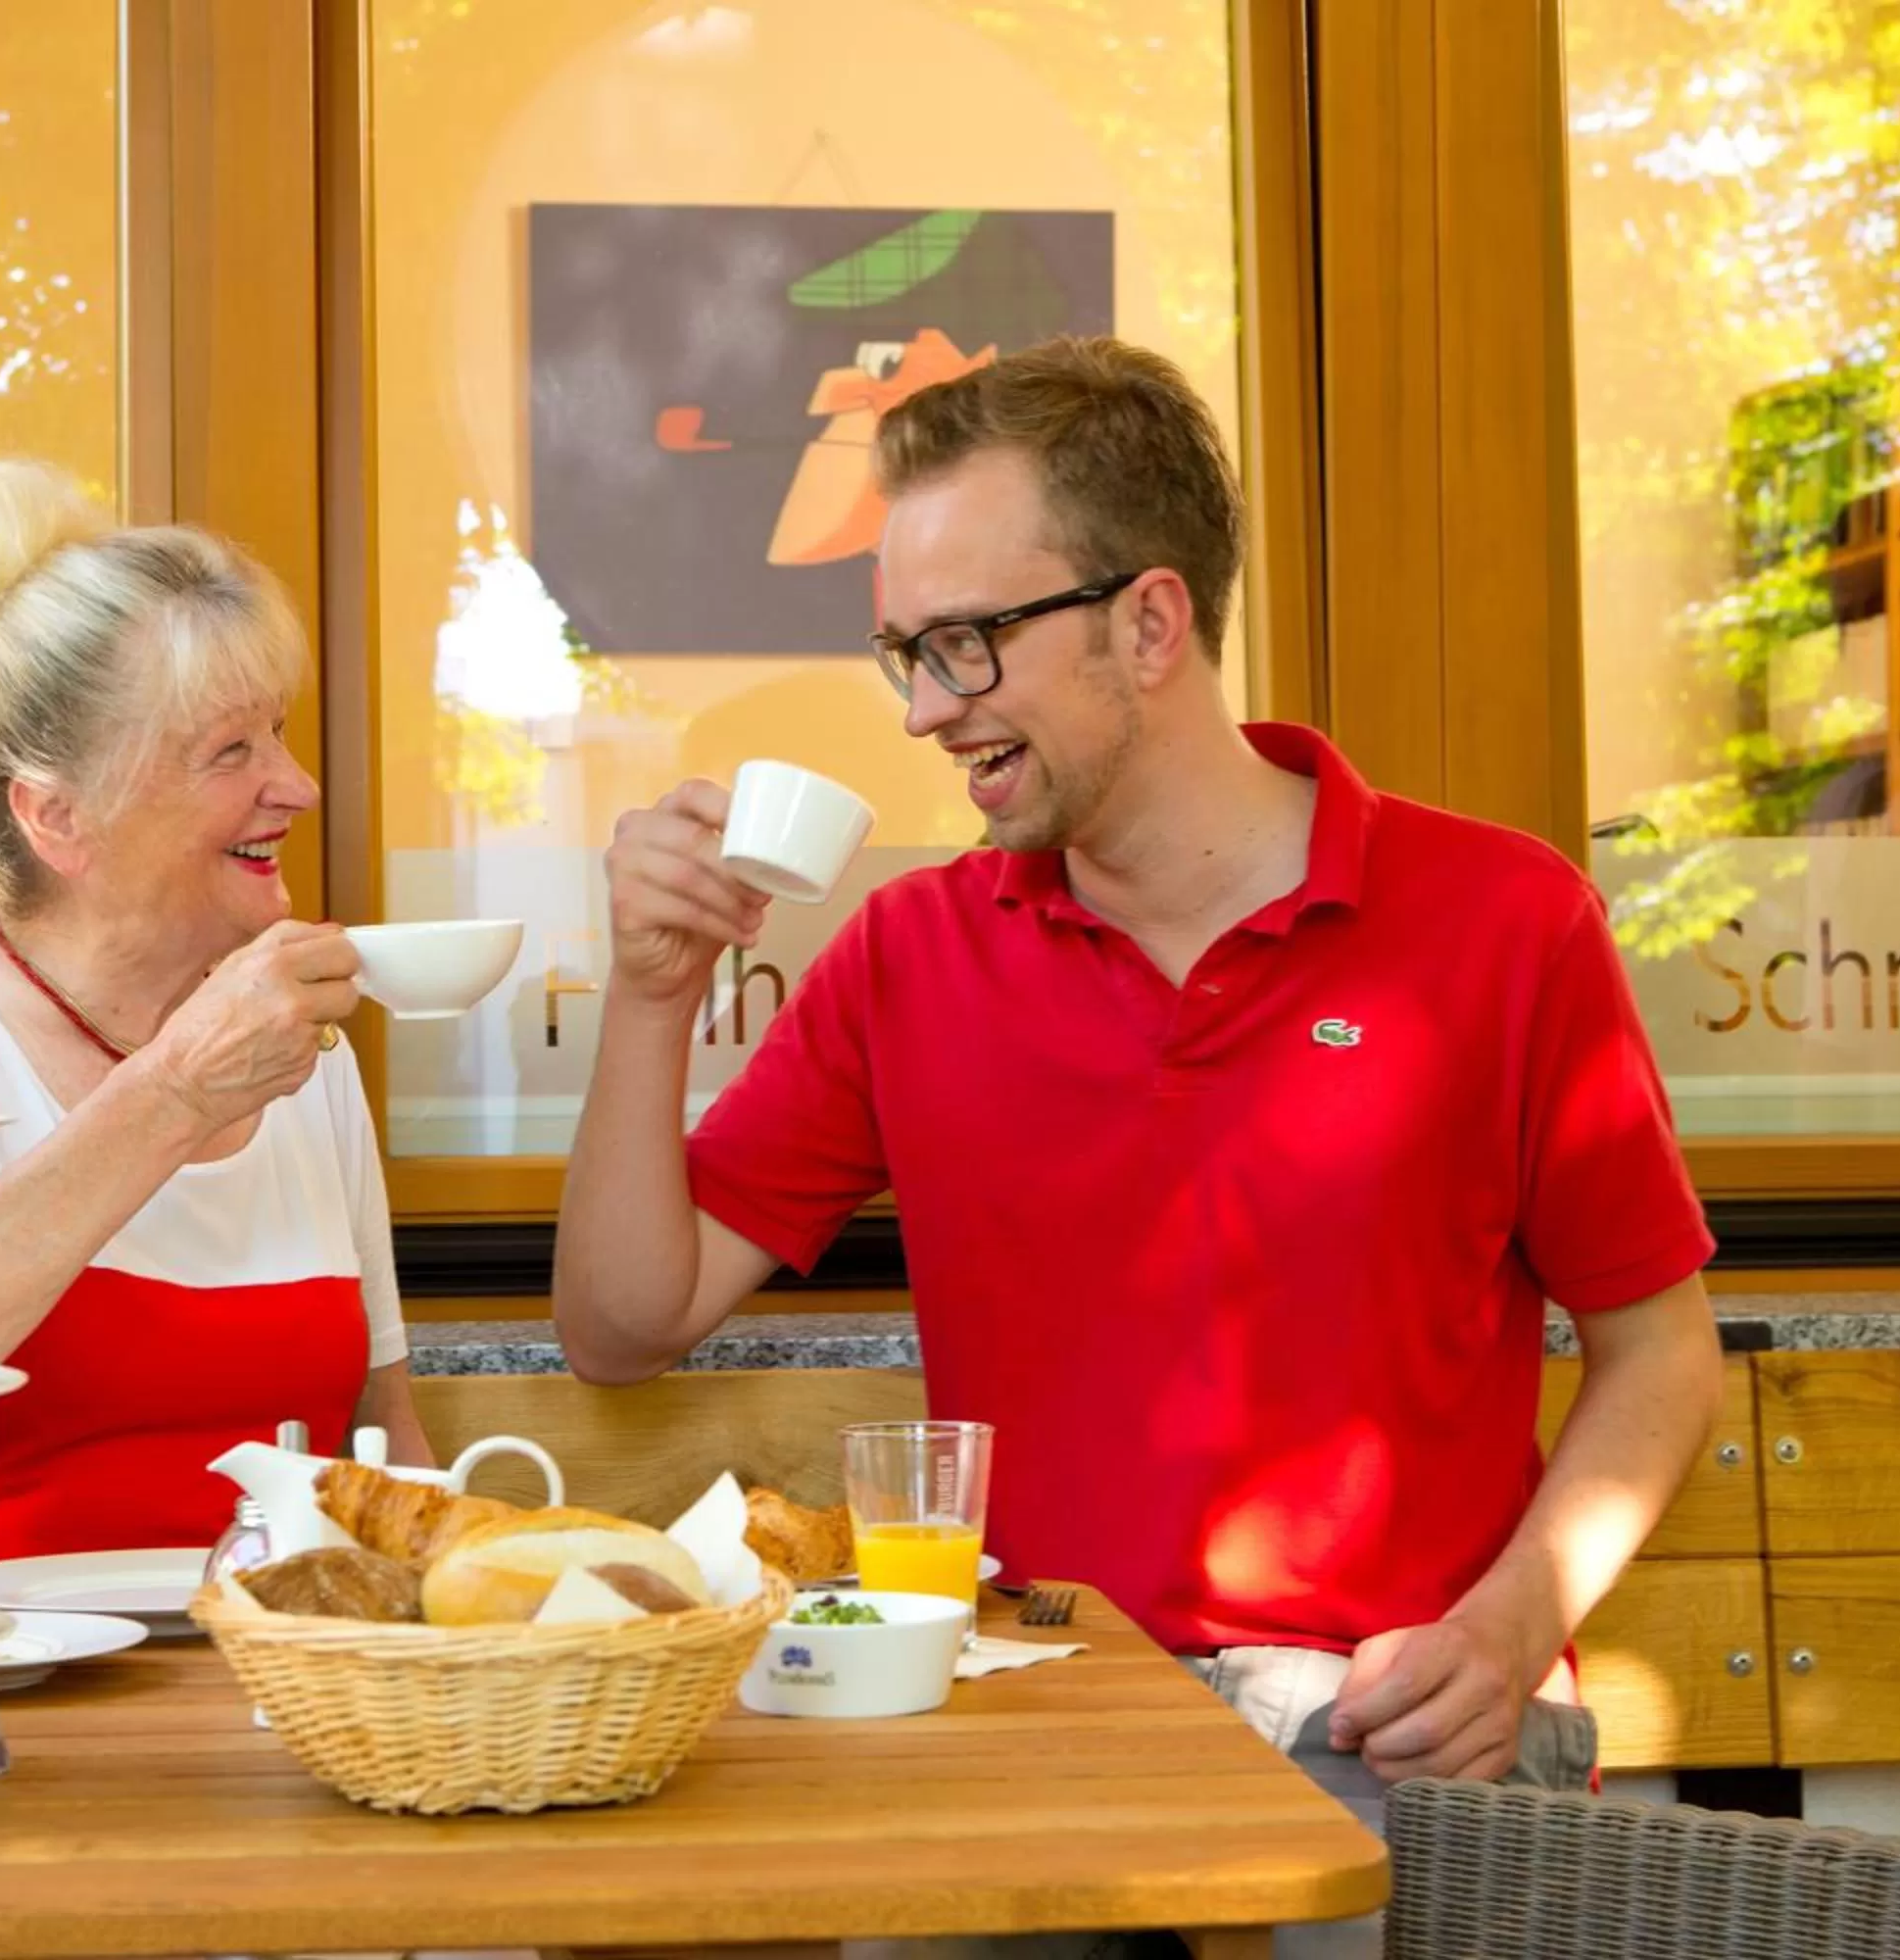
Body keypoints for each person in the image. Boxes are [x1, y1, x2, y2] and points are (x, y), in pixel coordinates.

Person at [551, 337, 1725, 1946]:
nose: (921, 711)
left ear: (1149, 621)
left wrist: (1515, 1625)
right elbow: (622, 1326)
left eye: (963, 647)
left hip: (1391, 1730)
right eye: (904, 653)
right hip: (1020, 1723)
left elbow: (1663, 1348)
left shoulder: (1507, 925)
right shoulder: (907, 955)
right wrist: (651, 991)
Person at [0, 460, 427, 1592]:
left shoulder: (295, 1044)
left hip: (278, 1704)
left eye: (279, 732)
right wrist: (175, 1090)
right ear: (58, 814)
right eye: (234, 750)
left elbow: (385, 1437)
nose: (299, 785)